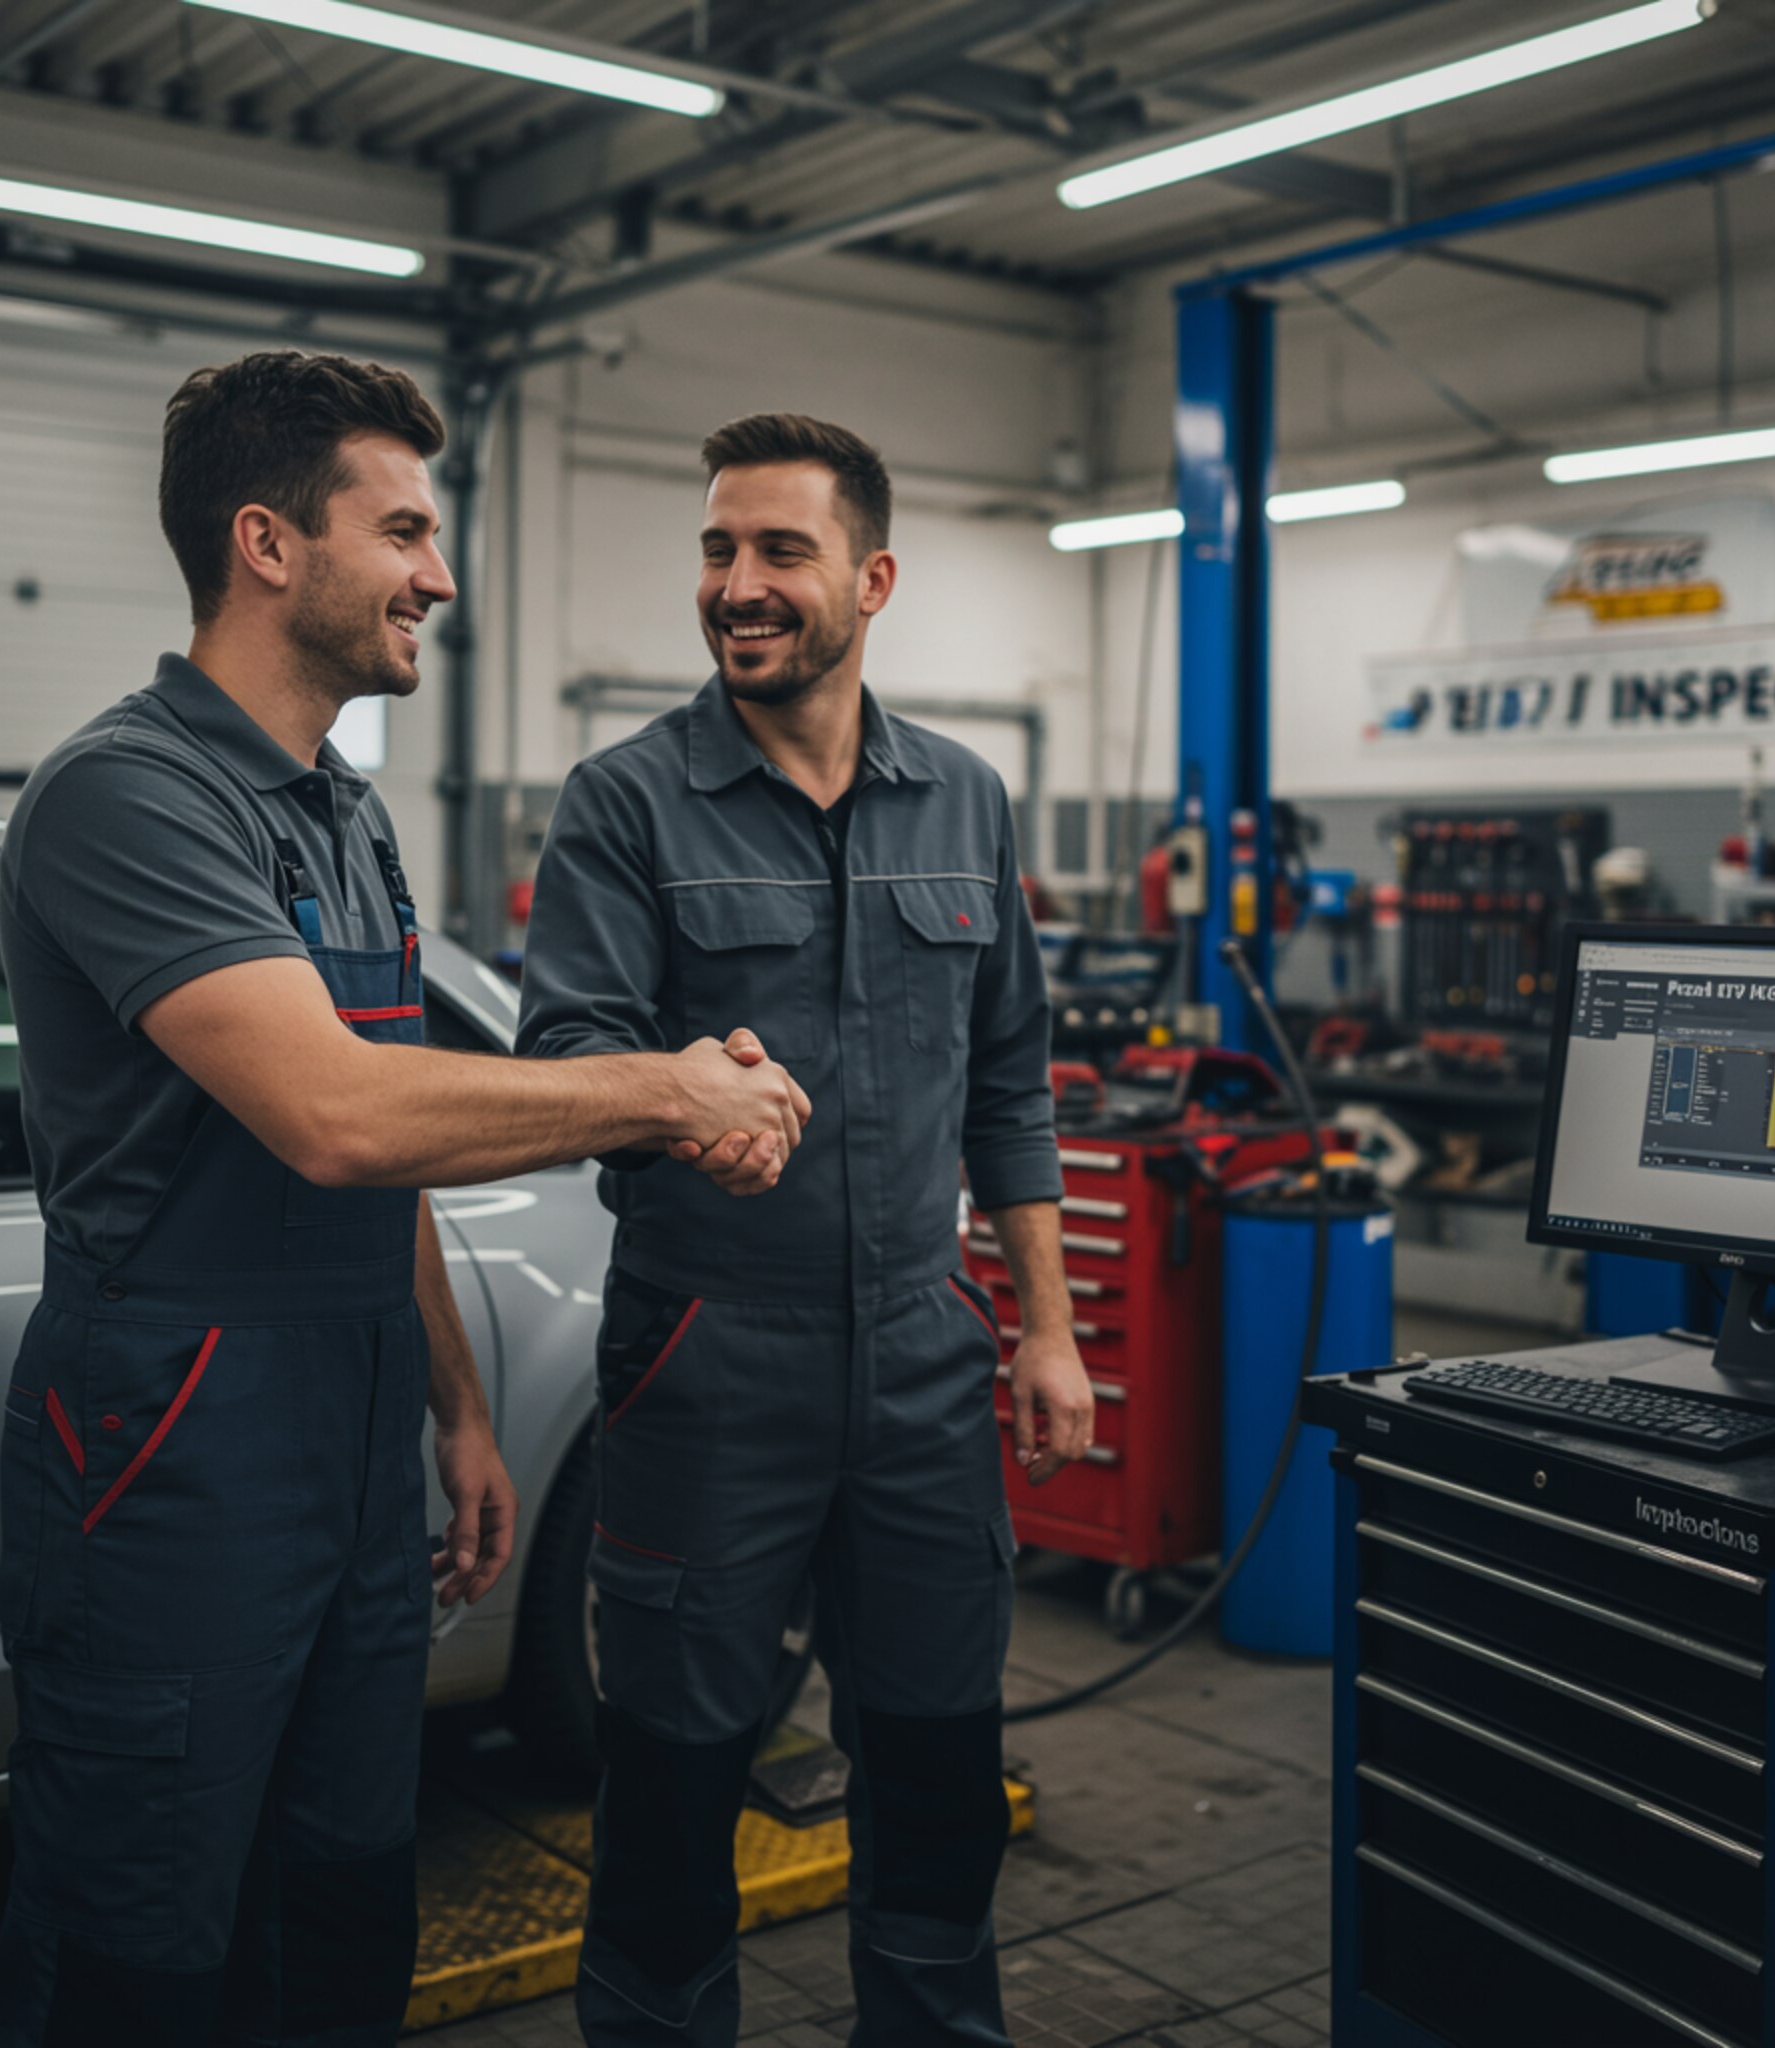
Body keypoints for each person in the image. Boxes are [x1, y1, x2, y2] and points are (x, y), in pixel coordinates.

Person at [0, 353, 807, 2048]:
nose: (439, 576)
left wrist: (457, 1407)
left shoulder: (346, 816)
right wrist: (666, 1088)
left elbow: (401, 1147)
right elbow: (339, 1113)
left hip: (355, 1441)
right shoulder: (127, 796)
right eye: (408, 530)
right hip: (172, 1449)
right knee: (140, 1932)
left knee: (346, 1897)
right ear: (269, 543)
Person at [519, 412, 1096, 2046]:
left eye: (779, 551)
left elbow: (1012, 1086)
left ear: (872, 578)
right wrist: (678, 1093)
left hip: (924, 1355)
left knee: (932, 1778)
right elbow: (562, 1056)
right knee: (674, 1796)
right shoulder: (626, 802)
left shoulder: (968, 804)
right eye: (718, 550)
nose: (739, 585)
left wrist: (1045, 1326)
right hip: (709, 1359)